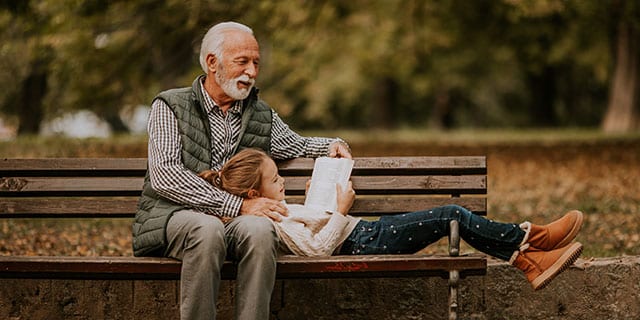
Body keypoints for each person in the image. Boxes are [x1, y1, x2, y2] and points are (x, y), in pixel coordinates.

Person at [132, 22, 352, 320]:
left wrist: (331, 145)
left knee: (261, 228)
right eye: (242, 62)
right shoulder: (170, 105)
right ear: (212, 62)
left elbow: (296, 144)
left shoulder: (259, 113)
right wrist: (240, 204)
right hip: (174, 216)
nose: (251, 72)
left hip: (234, 221)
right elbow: (166, 175)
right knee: (205, 229)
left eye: (256, 63)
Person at [200, 148, 584, 291]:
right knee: (451, 214)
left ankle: (530, 254)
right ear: (252, 195)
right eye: (274, 179)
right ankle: (529, 242)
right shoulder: (266, 223)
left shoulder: (273, 211)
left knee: (450, 216)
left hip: (365, 233)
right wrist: (340, 210)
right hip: (362, 241)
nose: (282, 181)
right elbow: (316, 250)